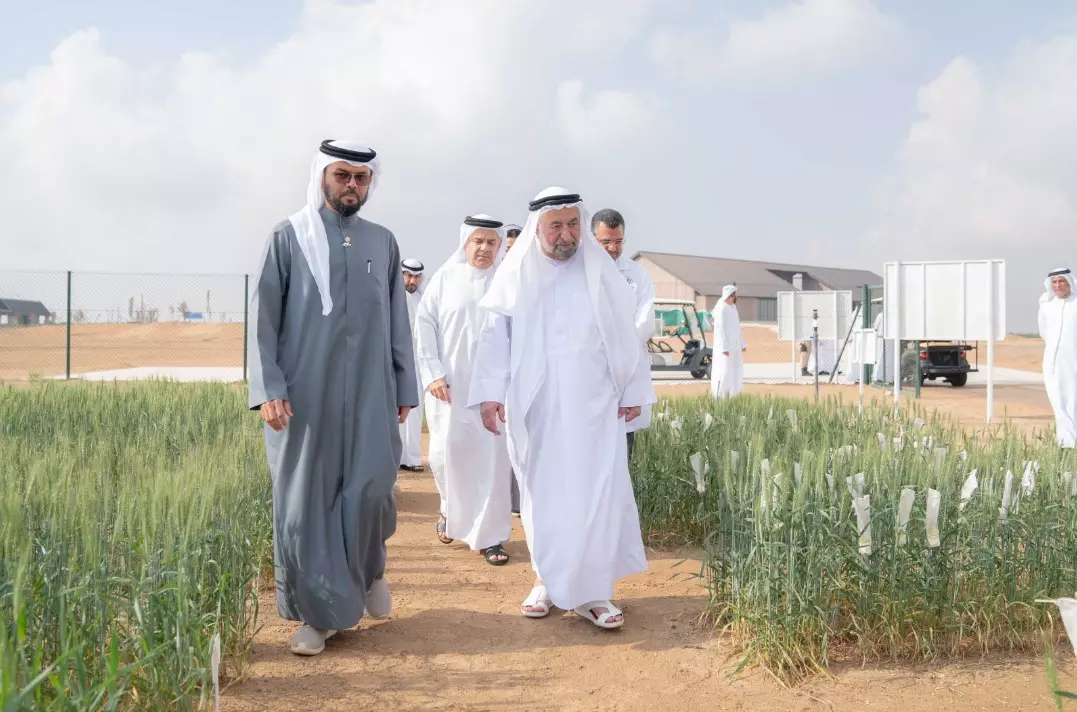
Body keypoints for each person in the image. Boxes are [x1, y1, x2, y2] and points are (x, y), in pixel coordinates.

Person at [248, 139, 418, 656]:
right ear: (324, 176)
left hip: (371, 392)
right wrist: (269, 388)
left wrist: (404, 384)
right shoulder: (288, 236)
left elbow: (397, 322)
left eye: (361, 179)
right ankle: (317, 617)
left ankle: (368, 573)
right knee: (308, 507)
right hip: (304, 396)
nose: (351, 185)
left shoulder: (382, 242)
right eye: (342, 175)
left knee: (371, 491)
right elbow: (263, 320)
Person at [468, 187, 655, 630]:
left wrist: (632, 391)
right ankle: (544, 583)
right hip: (537, 409)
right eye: (556, 225)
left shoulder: (601, 274)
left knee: (595, 495)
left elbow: (626, 336)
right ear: (538, 228)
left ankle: (594, 594)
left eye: (573, 224)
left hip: (595, 409)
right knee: (542, 495)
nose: (566, 233)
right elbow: (494, 340)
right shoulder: (515, 276)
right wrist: (491, 393)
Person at [415, 215, 513, 564]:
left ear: (500, 246)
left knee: (492, 462)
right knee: (445, 457)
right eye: (478, 241)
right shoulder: (445, 278)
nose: (484, 248)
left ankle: (491, 537)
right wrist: (433, 374)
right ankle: (450, 513)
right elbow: (424, 326)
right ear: (466, 244)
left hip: (494, 392)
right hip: (450, 388)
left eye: (491, 242)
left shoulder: (508, 281)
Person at [592, 208, 656, 460]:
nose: (612, 248)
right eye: (605, 242)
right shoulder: (579, 272)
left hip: (626, 375)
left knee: (621, 456)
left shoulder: (637, 275)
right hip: (590, 373)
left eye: (618, 242)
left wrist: (618, 350)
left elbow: (645, 322)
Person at [1038, 267, 1077, 448]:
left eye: (1061, 281)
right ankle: (1066, 442)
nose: (1058, 285)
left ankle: (1069, 442)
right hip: (1052, 361)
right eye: (1054, 282)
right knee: (1058, 400)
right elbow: (1044, 332)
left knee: (1072, 400)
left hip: (1073, 360)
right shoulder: (1047, 306)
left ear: (1069, 282)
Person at [400, 257, 427, 472]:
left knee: (415, 408)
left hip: (417, 363)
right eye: (408, 275)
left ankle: (412, 458)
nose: (412, 280)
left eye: (417, 276)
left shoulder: (424, 300)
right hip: (394, 361)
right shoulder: (390, 299)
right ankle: (395, 457)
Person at [710, 285, 746, 398]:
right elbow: (720, 330)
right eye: (733, 295)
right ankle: (720, 396)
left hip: (735, 348)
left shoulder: (733, 308)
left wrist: (742, 344)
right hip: (725, 349)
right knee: (724, 372)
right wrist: (724, 348)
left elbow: (737, 328)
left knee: (736, 371)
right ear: (729, 296)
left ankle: (734, 395)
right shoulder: (722, 308)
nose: (734, 298)